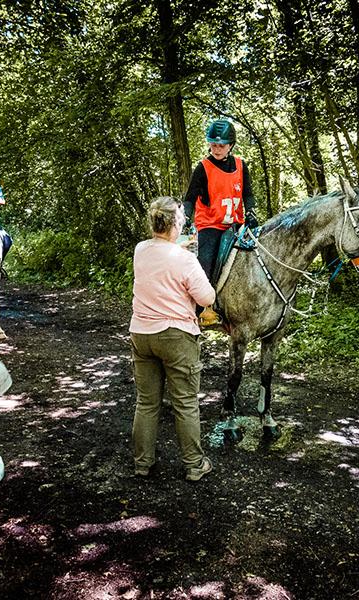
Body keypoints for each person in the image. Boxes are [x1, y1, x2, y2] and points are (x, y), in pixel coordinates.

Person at [130, 197, 216, 481]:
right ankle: (193, 464)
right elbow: (206, 297)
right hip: (176, 337)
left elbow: (160, 256)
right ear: (176, 224)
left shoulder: (140, 250)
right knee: (186, 403)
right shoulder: (185, 259)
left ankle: (142, 463)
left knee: (146, 402)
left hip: (141, 334)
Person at [183, 119, 259, 327]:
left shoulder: (241, 166)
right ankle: (200, 311)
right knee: (204, 266)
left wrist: (251, 211)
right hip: (210, 225)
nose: (217, 149)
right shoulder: (203, 168)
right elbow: (189, 198)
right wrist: (186, 217)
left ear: (231, 145)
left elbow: (248, 194)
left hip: (236, 225)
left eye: (221, 145)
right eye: (213, 145)